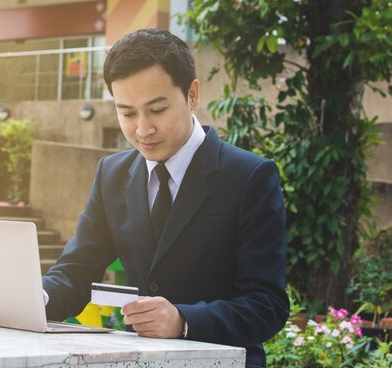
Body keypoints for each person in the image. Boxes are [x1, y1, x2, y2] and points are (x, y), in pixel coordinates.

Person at [42, 28, 289, 368]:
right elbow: (75, 273)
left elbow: (267, 305)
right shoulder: (110, 175)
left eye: (156, 109)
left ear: (192, 95)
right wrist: (33, 298)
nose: (142, 129)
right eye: (127, 113)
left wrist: (183, 320)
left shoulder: (250, 177)